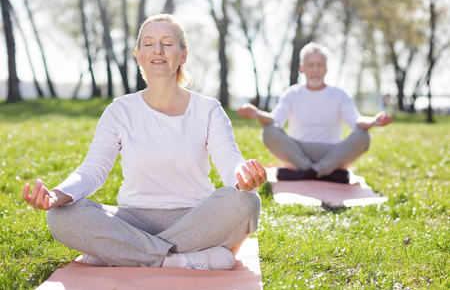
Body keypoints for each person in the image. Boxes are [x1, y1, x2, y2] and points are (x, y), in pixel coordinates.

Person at [22, 14, 266, 270]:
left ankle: (120, 253)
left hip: (194, 218)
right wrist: (58, 194)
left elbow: (229, 161)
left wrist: (242, 177)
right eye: (149, 43)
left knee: (246, 201)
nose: (158, 50)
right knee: (61, 215)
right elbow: (93, 170)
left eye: (167, 43)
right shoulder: (119, 110)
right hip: (132, 219)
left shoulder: (208, 109)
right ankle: (179, 261)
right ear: (139, 56)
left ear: (182, 55)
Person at [237, 42, 393, 183]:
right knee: (269, 131)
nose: (315, 70)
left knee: (363, 136)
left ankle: (308, 173)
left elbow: (356, 121)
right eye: (310, 65)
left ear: (326, 68)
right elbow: (274, 119)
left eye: (320, 65)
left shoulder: (340, 94)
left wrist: (373, 121)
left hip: (331, 154)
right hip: (298, 153)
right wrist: (257, 113)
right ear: (302, 68)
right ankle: (324, 174)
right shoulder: (292, 94)